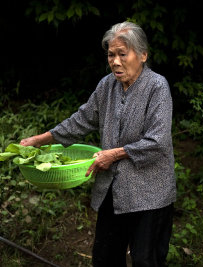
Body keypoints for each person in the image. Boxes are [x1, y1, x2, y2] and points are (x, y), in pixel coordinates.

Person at [20, 21, 176, 267]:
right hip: (113, 190)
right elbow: (81, 120)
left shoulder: (157, 87)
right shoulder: (107, 86)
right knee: (105, 258)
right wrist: (40, 140)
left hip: (150, 195)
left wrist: (112, 155)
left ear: (143, 55)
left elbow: (157, 142)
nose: (115, 61)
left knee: (146, 260)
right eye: (111, 55)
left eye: (122, 54)